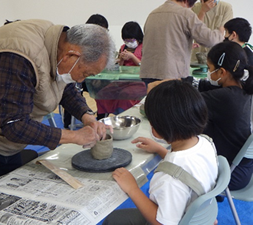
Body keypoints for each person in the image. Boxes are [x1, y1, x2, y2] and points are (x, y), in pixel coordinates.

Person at [0, 19, 116, 194]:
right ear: (71, 56)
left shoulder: (59, 49)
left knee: (11, 196)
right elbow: (14, 125)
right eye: (85, 73)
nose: (81, 80)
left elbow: (64, 87)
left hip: (7, 140)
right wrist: (74, 136)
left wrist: (87, 116)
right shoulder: (20, 53)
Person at [103, 80, 218, 225]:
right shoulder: (206, 142)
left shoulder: (168, 180)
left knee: (113, 220)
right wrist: (160, 150)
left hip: (177, 219)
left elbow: (162, 223)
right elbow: (186, 173)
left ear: (156, 127)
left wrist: (132, 189)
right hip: (197, 216)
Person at [149, 41, 253, 191]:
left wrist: (157, 93)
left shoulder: (225, 97)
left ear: (222, 72)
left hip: (230, 172)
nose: (208, 74)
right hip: (242, 167)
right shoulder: (241, 87)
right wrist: (167, 82)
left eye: (210, 69)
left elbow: (185, 101)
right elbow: (198, 84)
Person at [140, 0, 224, 86]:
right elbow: (209, 40)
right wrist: (221, 32)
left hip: (148, 73)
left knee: (154, 99)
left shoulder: (153, 14)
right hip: (170, 74)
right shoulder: (185, 14)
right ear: (186, 1)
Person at [63, 14, 109, 129]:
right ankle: (68, 124)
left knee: (101, 90)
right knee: (72, 88)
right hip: (74, 78)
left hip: (86, 79)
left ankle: (101, 118)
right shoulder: (77, 40)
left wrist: (87, 115)